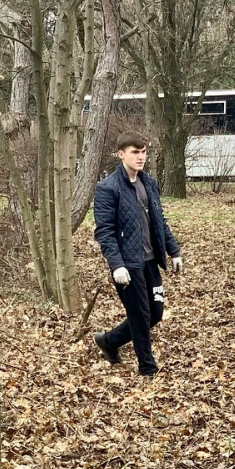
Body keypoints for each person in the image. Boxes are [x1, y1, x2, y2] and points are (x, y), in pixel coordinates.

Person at [92, 131, 183, 378]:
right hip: (127, 265)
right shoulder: (107, 188)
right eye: (135, 152)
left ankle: (109, 341)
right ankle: (147, 369)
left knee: (155, 313)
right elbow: (105, 232)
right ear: (121, 154)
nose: (140, 157)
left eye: (143, 152)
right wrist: (116, 265)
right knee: (140, 315)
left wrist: (173, 251)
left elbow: (159, 221)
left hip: (151, 261)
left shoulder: (149, 183)